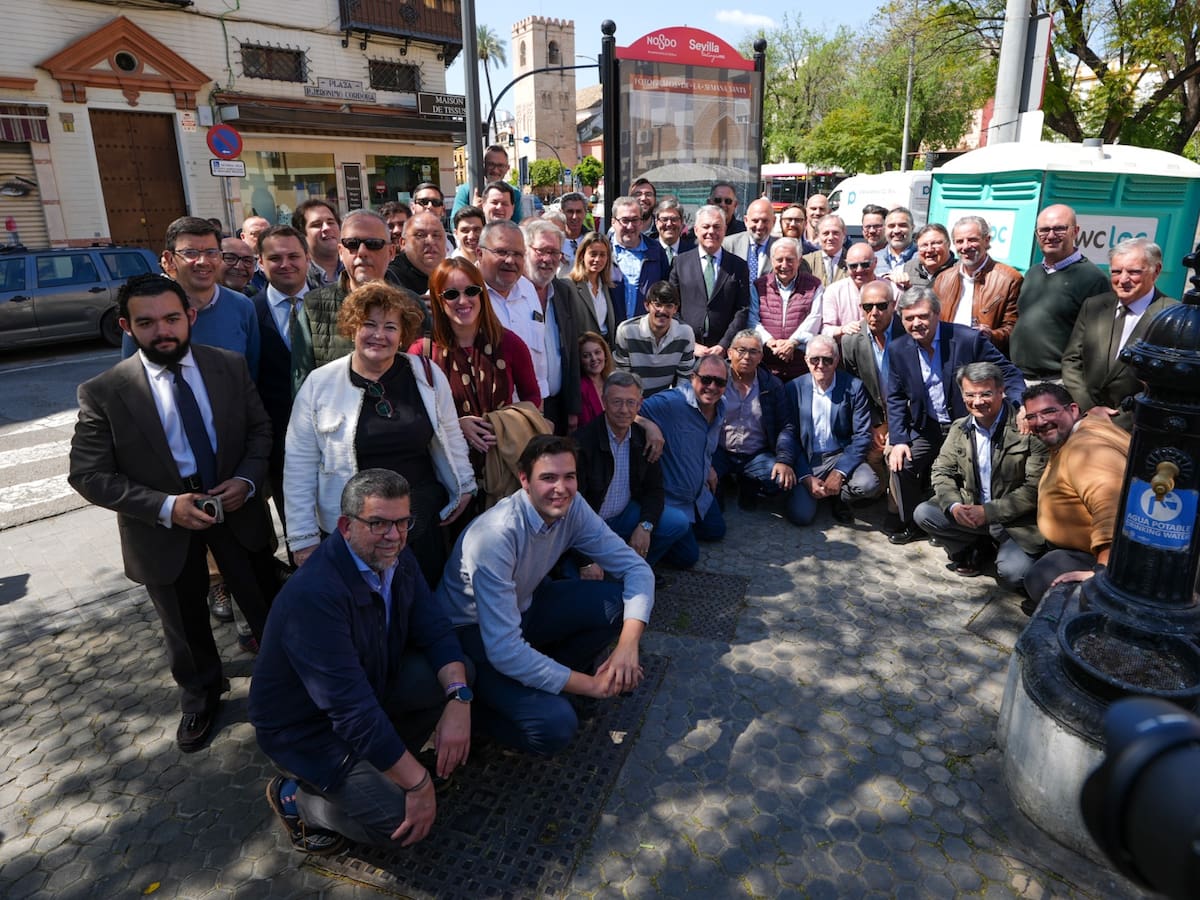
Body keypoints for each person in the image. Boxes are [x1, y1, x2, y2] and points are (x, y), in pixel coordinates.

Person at [69, 274, 279, 752]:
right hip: (162, 526)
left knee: (266, 604)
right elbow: (88, 475)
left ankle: (287, 679)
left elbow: (260, 430)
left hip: (236, 510)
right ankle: (202, 696)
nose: (162, 331)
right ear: (126, 326)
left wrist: (246, 481)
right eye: (146, 323)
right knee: (183, 624)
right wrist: (166, 507)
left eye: (171, 318)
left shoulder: (228, 366)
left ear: (191, 316)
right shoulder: (103, 391)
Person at [250, 469, 472, 854]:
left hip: (370, 690)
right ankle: (296, 799)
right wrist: (417, 784)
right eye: (378, 523)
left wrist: (459, 698)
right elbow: (351, 712)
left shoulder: (398, 558)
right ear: (345, 525)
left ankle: (383, 769)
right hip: (307, 732)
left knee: (459, 670)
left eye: (403, 522)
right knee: (398, 826)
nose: (395, 535)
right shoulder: (315, 596)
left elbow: (436, 629)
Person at [438, 434, 654, 756]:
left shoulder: (572, 505)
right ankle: (473, 711)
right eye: (548, 478)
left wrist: (627, 646)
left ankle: (549, 679)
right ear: (524, 480)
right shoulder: (495, 536)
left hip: (526, 607)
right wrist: (592, 685)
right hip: (473, 632)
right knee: (554, 725)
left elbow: (637, 570)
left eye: (569, 476)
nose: (561, 488)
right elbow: (504, 650)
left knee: (615, 607)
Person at [285, 282, 475, 589]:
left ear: (403, 334)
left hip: (419, 518)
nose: (379, 335)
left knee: (421, 605)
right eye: (369, 324)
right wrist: (303, 538)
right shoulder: (319, 384)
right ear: (351, 328)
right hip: (356, 528)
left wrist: (464, 485)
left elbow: (450, 434)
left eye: (390, 326)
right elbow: (299, 465)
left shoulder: (427, 374)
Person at [885, 287, 1026, 544]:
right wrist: (899, 440)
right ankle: (915, 522)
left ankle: (966, 534)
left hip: (969, 426)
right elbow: (894, 397)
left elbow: (1009, 372)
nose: (916, 323)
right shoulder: (897, 349)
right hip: (926, 426)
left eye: (923, 316)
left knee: (971, 470)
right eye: (909, 318)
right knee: (900, 463)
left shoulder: (967, 340)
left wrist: (1020, 407)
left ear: (937, 314)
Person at [913, 362, 1048, 587]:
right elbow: (941, 470)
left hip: (1016, 521)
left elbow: (1035, 488)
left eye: (986, 394)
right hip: (972, 510)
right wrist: (955, 506)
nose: (977, 402)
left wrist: (989, 512)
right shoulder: (959, 428)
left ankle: (1000, 546)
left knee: (1014, 574)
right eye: (970, 395)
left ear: (1001, 390)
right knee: (925, 513)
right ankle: (975, 545)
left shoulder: (1027, 429)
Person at [414, 257, 540, 476]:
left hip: (504, 467)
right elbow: (414, 414)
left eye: (471, 291)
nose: (463, 301)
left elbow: (532, 397)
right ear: (438, 301)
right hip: (446, 472)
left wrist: (503, 425)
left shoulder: (510, 344)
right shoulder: (421, 353)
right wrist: (457, 425)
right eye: (452, 294)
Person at [1021, 383, 1130, 603]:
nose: (1040, 422)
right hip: (1082, 548)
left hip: (1116, 560)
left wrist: (1101, 572)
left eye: (1049, 411)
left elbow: (1113, 507)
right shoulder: (1087, 425)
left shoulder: (1086, 451)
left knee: (1040, 577)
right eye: (1031, 416)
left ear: (1072, 410)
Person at [573, 371, 691, 567]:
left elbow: (654, 490)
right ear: (604, 402)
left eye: (630, 402)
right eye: (616, 402)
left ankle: (635, 566)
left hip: (624, 515)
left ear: (639, 404)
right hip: (591, 524)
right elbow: (572, 508)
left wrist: (645, 526)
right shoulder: (583, 442)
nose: (624, 410)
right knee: (578, 576)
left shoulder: (644, 438)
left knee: (678, 523)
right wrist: (586, 561)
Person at [1061, 238, 1178, 431]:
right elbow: (1071, 361)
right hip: (1089, 420)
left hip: (1139, 427)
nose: (1123, 279)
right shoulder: (1094, 306)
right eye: (1116, 271)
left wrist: (1121, 421)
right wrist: (1091, 408)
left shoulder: (1171, 316)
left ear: (1156, 271)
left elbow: (1170, 384)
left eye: (1133, 272)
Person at [122, 216, 261, 379]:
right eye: (190, 253)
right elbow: (132, 380)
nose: (203, 261)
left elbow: (251, 374)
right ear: (169, 259)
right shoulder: (147, 312)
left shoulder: (242, 306)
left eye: (211, 253)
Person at [775, 335, 881, 525]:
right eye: (815, 359)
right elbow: (789, 435)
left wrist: (840, 472)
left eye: (827, 359)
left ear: (836, 361)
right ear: (806, 361)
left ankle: (838, 496)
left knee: (868, 484)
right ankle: (818, 492)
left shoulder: (854, 387)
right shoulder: (793, 389)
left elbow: (862, 436)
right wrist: (806, 477)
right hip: (807, 457)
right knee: (801, 517)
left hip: (840, 454)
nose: (821, 365)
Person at [639, 356, 730, 567]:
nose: (712, 387)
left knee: (716, 531)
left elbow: (703, 443)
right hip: (672, 500)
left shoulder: (720, 406)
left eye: (720, 382)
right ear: (692, 377)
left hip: (698, 493)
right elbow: (625, 412)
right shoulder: (670, 403)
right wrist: (649, 426)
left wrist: (708, 468)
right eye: (706, 379)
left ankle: (681, 531)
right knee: (688, 557)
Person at [293, 210, 398, 390]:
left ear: (391, 251)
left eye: (373, 244)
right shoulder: (313, 307)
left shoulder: (412, 307)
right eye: (352, 244)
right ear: (341, 251)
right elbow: (301, 385)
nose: (362, 252)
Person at [1010, 203, 1110, 383]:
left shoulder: (1093, 279)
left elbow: (1098, 342)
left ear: (1075, 231)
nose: (1050, 235)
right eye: (1044, 230)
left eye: (1059, 229)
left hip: (1058, 382)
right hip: (1020, 377)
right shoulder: (1033, 273)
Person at [713, 331, 791, 509]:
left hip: (755, 455)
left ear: (761, 356)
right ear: (729, 352)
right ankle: (722, 482)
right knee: (701, 480)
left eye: (754, 351)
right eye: (741, 350)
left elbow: (786, 426)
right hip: (719, 451)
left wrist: (784, 460)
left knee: (781, 480)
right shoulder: (715, 379)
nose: (747, 357)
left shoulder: (772, 385)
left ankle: (748, 483)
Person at [522, 219, 583, 433]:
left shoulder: (563, 291)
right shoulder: (512, 294)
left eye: (554, 252)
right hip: (523, 409)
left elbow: (572, 352)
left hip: (558, 404)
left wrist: (573, 408)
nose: (548, 259)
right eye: (541, 251)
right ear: (526, 250)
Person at [931, 216, 1023, 354]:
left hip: (984, 358)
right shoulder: (943, 278)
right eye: (960, 241)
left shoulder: (1010, 279)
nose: (965, 246)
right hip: (947, 354)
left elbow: (1015, 328)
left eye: (972, 239)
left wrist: (991, 335)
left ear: (987, 240)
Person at [669, 204, 750, 356]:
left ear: (724, 230)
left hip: (723, 352)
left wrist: (724, 345)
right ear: (696, 230)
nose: (711, 232)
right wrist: (690, 342)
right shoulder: (680, 263)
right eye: (706, 226)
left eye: (717, 227)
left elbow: (742, 309)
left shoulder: (738, 265)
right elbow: (672, 308)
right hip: (686, 351)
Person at [749, 237, 823, 381]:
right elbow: (752, 319)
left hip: (801, 367)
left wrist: (792, 342)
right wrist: (771, 342)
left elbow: (815, 318)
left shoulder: (814, 285)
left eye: (790, 260)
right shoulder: (759, 285)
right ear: (772, 260)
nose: (784, 265)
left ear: (799, 261)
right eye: (779, 260)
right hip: (766, 366)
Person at [613, 281, 696, 396]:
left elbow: (684, 380)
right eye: (658, 305)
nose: (662, 310)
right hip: (633, 400)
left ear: (675, 309)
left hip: (666, 402)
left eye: (669, 306)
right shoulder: (627, 332)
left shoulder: (685, 333)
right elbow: (622, 378)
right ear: (647, 305)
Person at [802, 241, 896, 341]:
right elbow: (825, 330)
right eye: (853, 266)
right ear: (846, 265)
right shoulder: (833, 291)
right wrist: (842, 329)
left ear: (875, 262)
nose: (859, 270)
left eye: (865, 265)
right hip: (846, 351)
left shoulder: (892, 289)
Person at [610, 195, 669, 322]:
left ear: (641, 222)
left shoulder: (656, 250)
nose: (630, 226)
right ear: (613, 222)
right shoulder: (603, 251)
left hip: (646, 333)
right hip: (610, 332)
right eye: (625, 220)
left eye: (635, 220)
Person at [564, 232, 620, 343]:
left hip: (604, 350)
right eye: (593, 254)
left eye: (602, 255)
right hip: (581, 351)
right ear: (582, 255)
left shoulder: (606, 286)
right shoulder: (568, 285)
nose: (597, 259)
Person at [450, 144, 524, 223]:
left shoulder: (514, 193)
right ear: (483, 165)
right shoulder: (466, 191)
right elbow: (455, 223)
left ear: (507, 168)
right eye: (491, 164)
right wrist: (472, 212)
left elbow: (518, 225)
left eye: (500, 166)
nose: (495, 170)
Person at [387, 210, 447, 305]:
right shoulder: (391, 279)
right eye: (420, 235)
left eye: (436, 235)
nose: (430, 241)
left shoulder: (452, 275)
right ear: (403, 243)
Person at [723, 198, 777, 284]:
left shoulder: (782, 248)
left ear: (774, 221)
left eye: (765, 221)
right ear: (746, 221)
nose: (759, 226)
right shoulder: (728, 244)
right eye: (755, 221)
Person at [890, 223, 955, 291]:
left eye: (935, 243)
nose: (929, 250)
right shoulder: (908, 268)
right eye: (924, 245)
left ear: (948, 244)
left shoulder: (961, 270)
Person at [293, 199, 342, 286]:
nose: (326, 228)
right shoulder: (296, 275)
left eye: (331, 222)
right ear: (301, 235)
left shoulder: (355, 268)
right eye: (317, 225)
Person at [577, 331, 613, 428]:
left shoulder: (613, 382)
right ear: (580, 361)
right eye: (586, 356)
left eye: (597, 352)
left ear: (605, 354)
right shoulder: (581, 388)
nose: (594, 358)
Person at [803, 215, 850, 288]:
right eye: (826, 233)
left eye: (835, 233)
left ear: (844, 235)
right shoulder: (806, 262)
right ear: (817, 236)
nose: (830, 237)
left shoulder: (853, 261)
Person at [653, 197, 695, 271]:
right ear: (656, 222)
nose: (669, 224)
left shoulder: (693, 252)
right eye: (664, 219)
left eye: (674, 219)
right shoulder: (648, 250)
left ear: (682, 222)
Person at [874, 206, 917, 276]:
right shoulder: (874, 258)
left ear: (912, 228)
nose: (896, 231)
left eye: (902, 225)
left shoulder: (923, 258)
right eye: (891, 226)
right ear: (885, 229)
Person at [557, 192, 592, 274]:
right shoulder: (553, 241)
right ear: (561, 213)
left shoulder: (592, 240)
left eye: (579, 212)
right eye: (570, 212)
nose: (574, 217)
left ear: (585, 213)